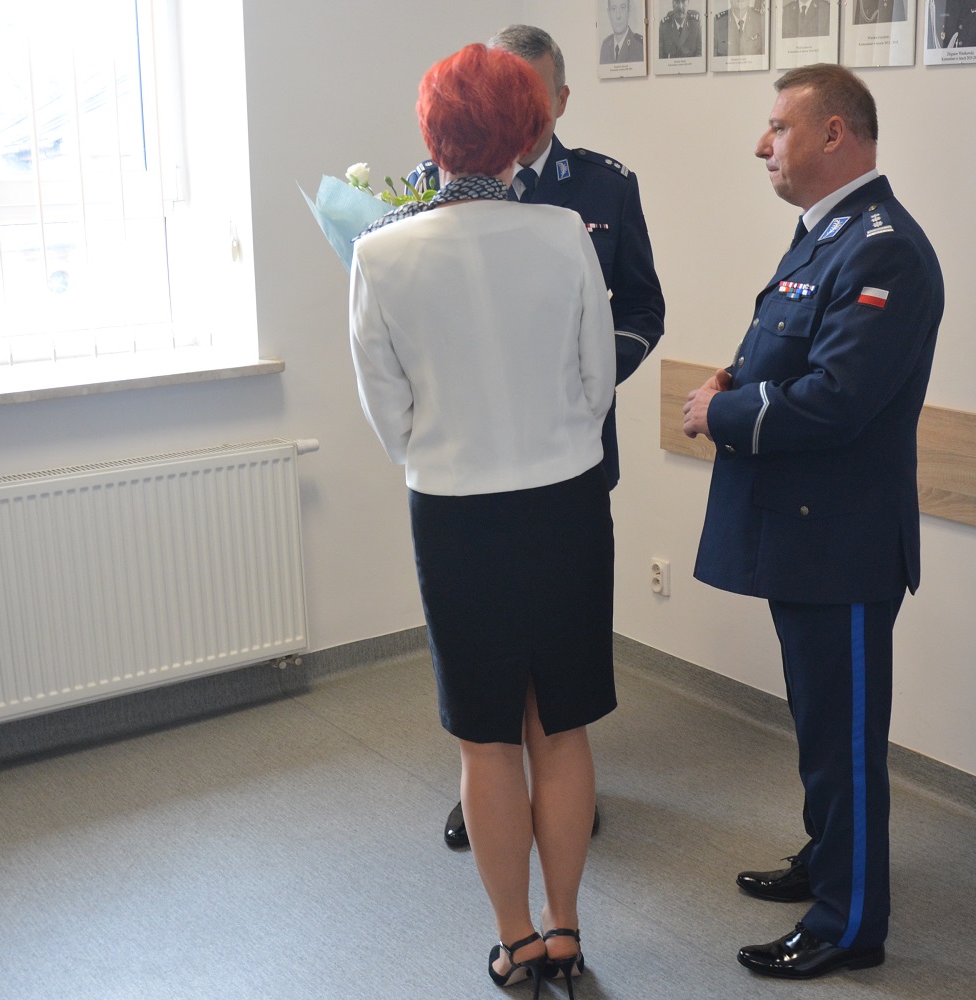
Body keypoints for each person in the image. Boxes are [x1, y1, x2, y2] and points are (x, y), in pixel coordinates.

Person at [351, 42, 617, 997]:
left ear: (433, 135)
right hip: (567, 505)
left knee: (486, 738)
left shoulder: (380, 253)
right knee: (563, 727)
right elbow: (597, 382)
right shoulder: (566, 233)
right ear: (528, 130)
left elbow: (386, 411)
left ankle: (516, 943)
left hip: (457, 516)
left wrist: (449, 454)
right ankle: (567, 931)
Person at [682, 64, 943, 979]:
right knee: (821, 727)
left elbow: (837, 398)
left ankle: (848, 922)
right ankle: (831, 857)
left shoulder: (883, 248)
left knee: (845, 742)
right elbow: (788, 350)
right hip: (807, 533)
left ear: (835, 133)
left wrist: (720, 412)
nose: (762, 145)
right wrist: (732, 376)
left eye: (778, 127)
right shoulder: (828, 235)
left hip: (844, 543)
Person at [410, 23, 665, 852]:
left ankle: (558, 789)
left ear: (559, 99)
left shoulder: (601, 188)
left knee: (558, 656)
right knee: (484, 651)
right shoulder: (431, 185)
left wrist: (583, 382)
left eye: (526, 92)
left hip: (569, 454)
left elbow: (642, 306)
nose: (509, 107)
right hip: (470, 464)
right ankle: (494, 786)